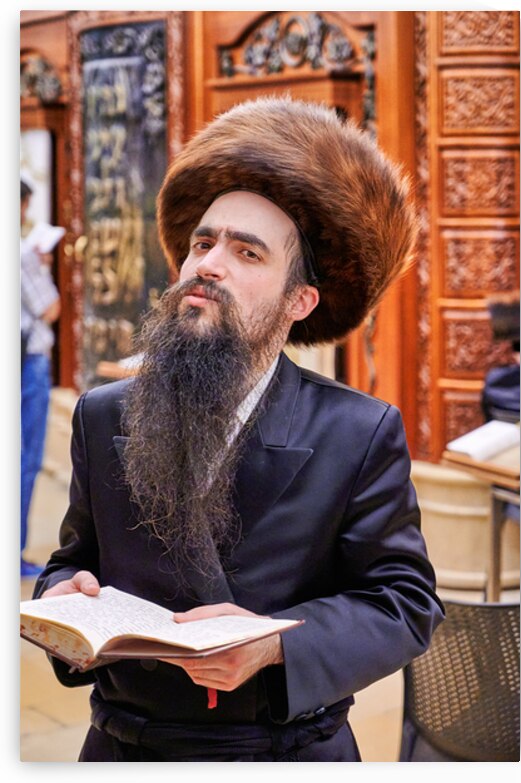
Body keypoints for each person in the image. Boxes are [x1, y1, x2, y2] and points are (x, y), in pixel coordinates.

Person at [33, 97, 445, 762]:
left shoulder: (358, 430)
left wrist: (278, 642)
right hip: (122, 748)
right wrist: (60, 592)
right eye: (203, 242)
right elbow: (70, 561)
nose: (208, 264)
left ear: (297, 301)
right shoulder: (104, 412)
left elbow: (403, 603)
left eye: (246, 252)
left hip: (282, 750)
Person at [20, 178, 61, 578]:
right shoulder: (22, 254)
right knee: (23, 458)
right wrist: (43, 270)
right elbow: (49, 308)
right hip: (25, 363)